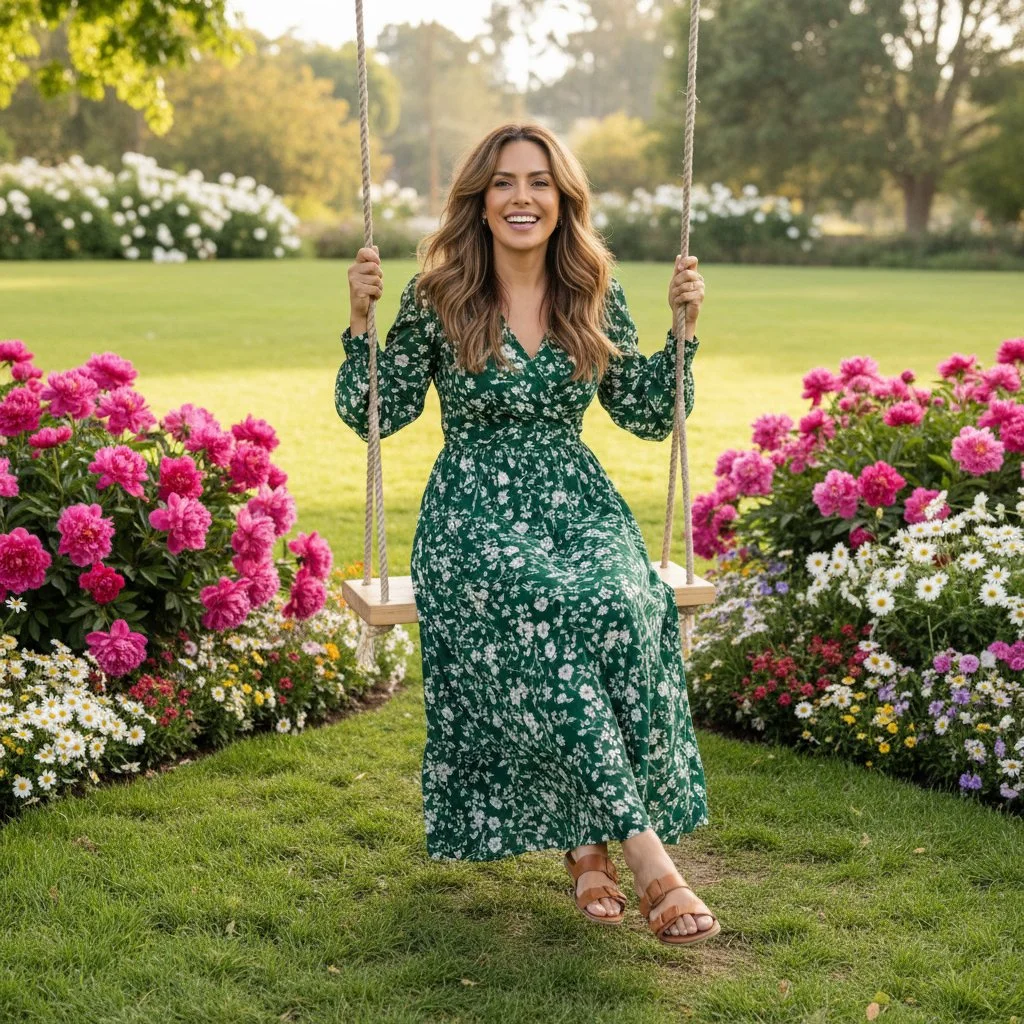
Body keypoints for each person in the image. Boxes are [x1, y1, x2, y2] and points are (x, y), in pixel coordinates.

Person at [335, 122, 719, 946]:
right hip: (472, 509)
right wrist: (361, 322)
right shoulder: (439, 295)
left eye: (539, 182)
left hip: (577, 503)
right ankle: (647, 857)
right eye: (504, 183)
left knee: (622, 602)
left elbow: (648, 415)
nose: (521, 198)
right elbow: (376, 411)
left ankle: (586, 844)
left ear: (561, 199)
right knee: (540, 604)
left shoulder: (592, 290)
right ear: (478, 200)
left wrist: (682, 333)